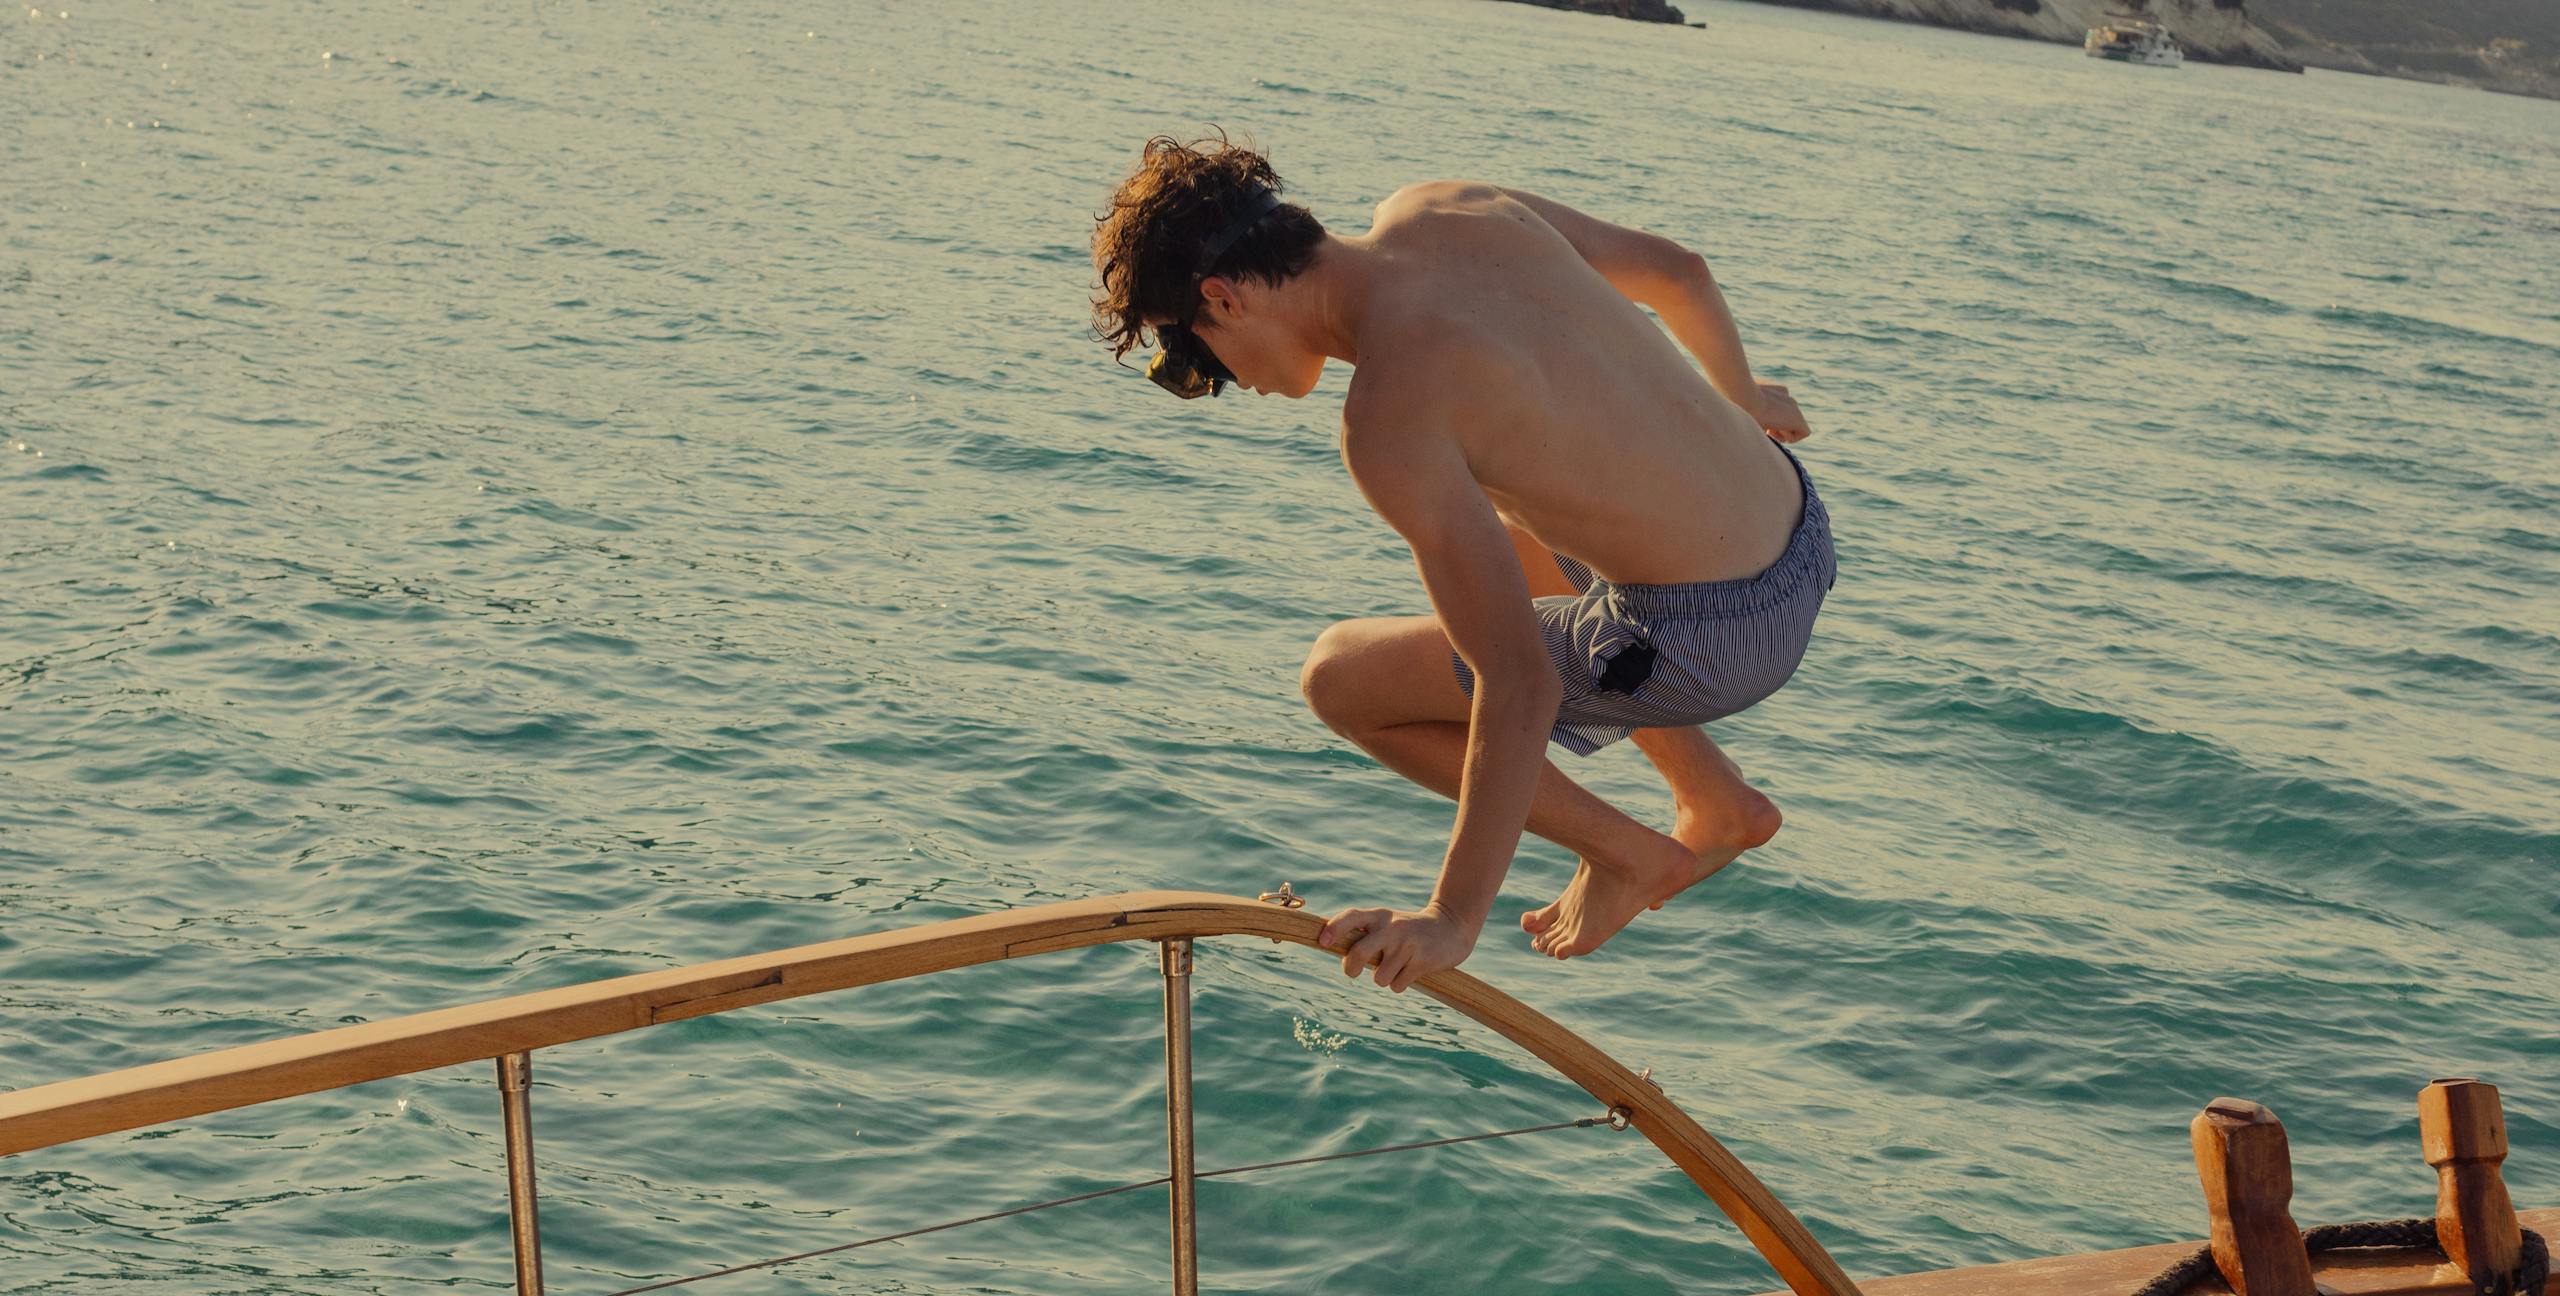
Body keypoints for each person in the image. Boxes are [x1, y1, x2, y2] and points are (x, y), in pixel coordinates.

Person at [1089, 134, 1833, 993]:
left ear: (1222, 298)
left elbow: (1518, 683)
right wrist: (1740, 404)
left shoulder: (1388, 421)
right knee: (1512, 519)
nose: (1215, 383)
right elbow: (1683, 273)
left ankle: (1630, 856)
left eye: (1188, 359)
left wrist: (1451, 918)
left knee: (1340, 680)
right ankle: (1714, 800)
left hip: (1715, 639)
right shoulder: (1445, 206)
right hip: (1802, 532)